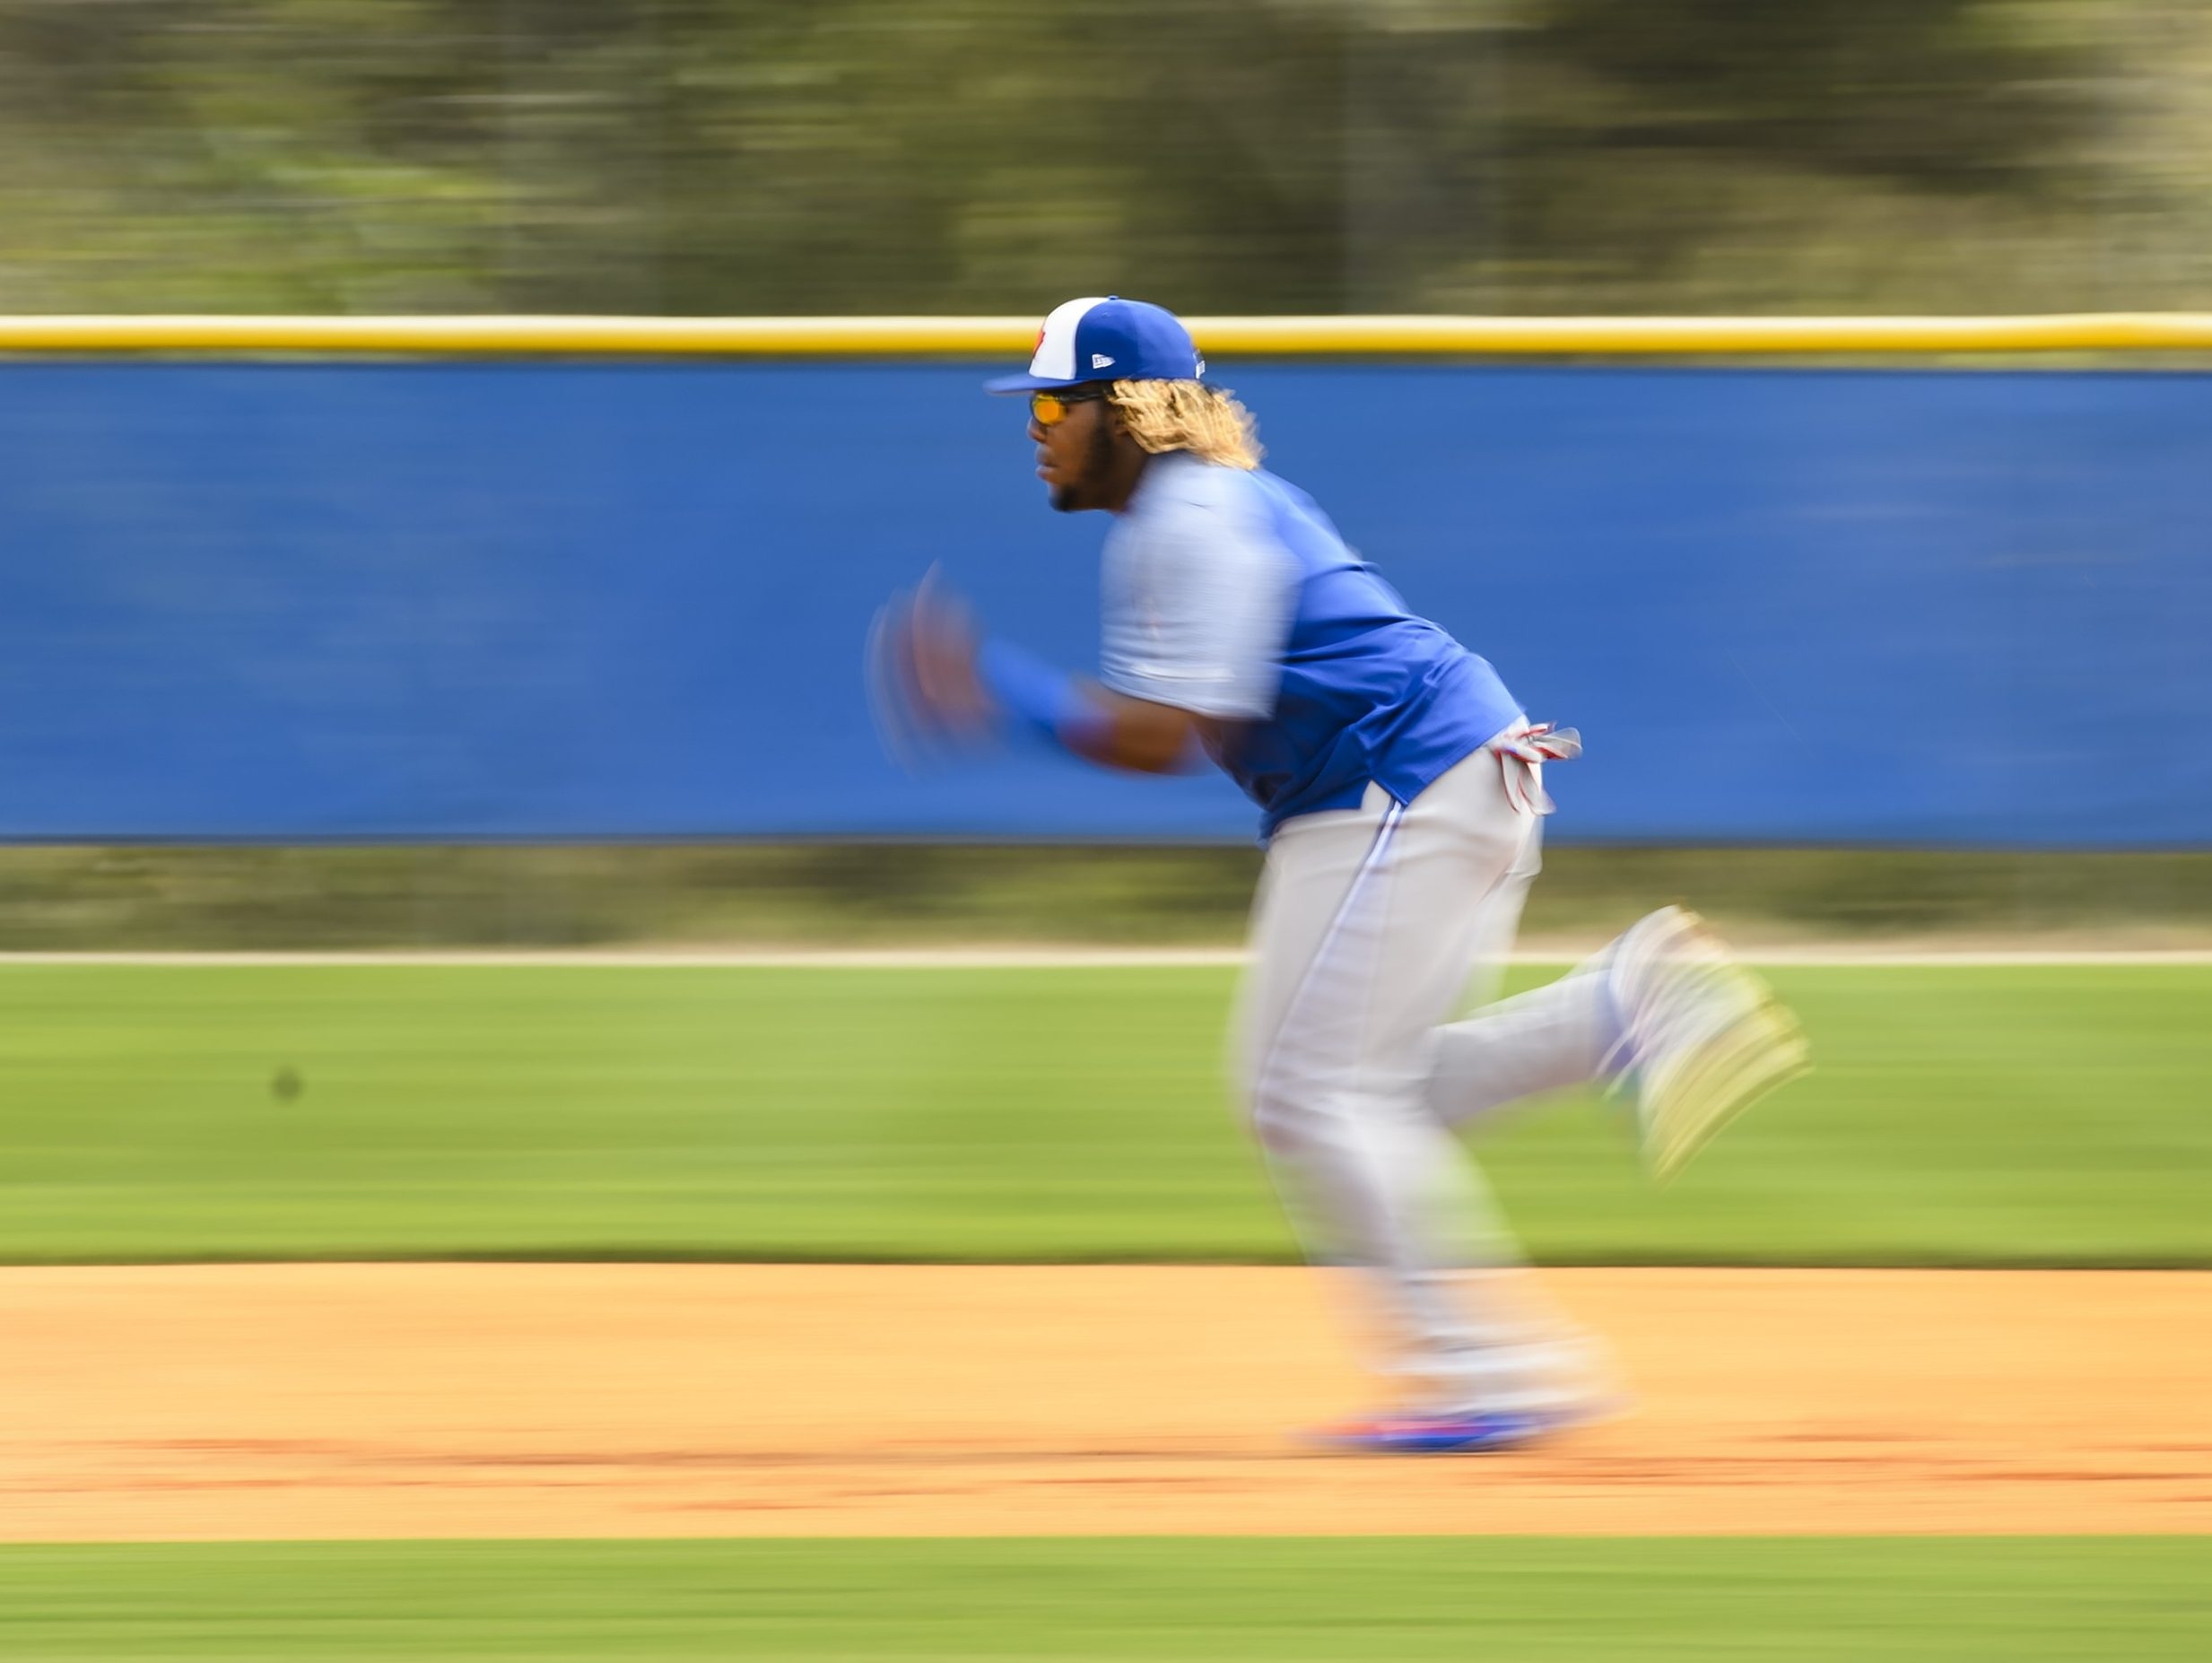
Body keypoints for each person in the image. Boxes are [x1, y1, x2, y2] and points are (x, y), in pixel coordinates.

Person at [867, 295, 1808, 1452]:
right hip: (1419, 783)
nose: (1036, 426)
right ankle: (1620, 1008)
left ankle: (1494, 1372)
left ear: (1129, 410)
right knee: (1359, 1095)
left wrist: (998, 695)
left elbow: (1163, 739)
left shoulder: (1188, 517)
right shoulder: (1201, 509)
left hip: (1400, 788)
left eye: (1057, 403)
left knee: (1311, 1097)